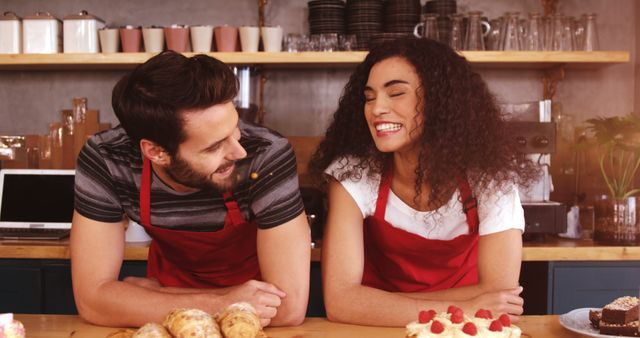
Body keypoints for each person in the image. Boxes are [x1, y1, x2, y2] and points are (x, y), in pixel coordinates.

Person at [309, 37, 539, 326]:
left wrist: (377, 304)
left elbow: (499, 296)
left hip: (462, 331)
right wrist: (468, 304)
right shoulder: (352, 173)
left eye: (395, 93)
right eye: (369, 97)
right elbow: (341, 302)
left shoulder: (491, 180)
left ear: (440, 100)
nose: (377, 108)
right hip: (381, 331)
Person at [70, 51, 310, 327]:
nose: (239, 150)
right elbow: (92, 301)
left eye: (235, 129)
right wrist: (223, 302)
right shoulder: (107, 158)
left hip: (248, 322)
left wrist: (153, 298)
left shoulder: (266, 153)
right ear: (156, 152)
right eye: (214, 146)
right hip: (173, 324)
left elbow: (289, 308)